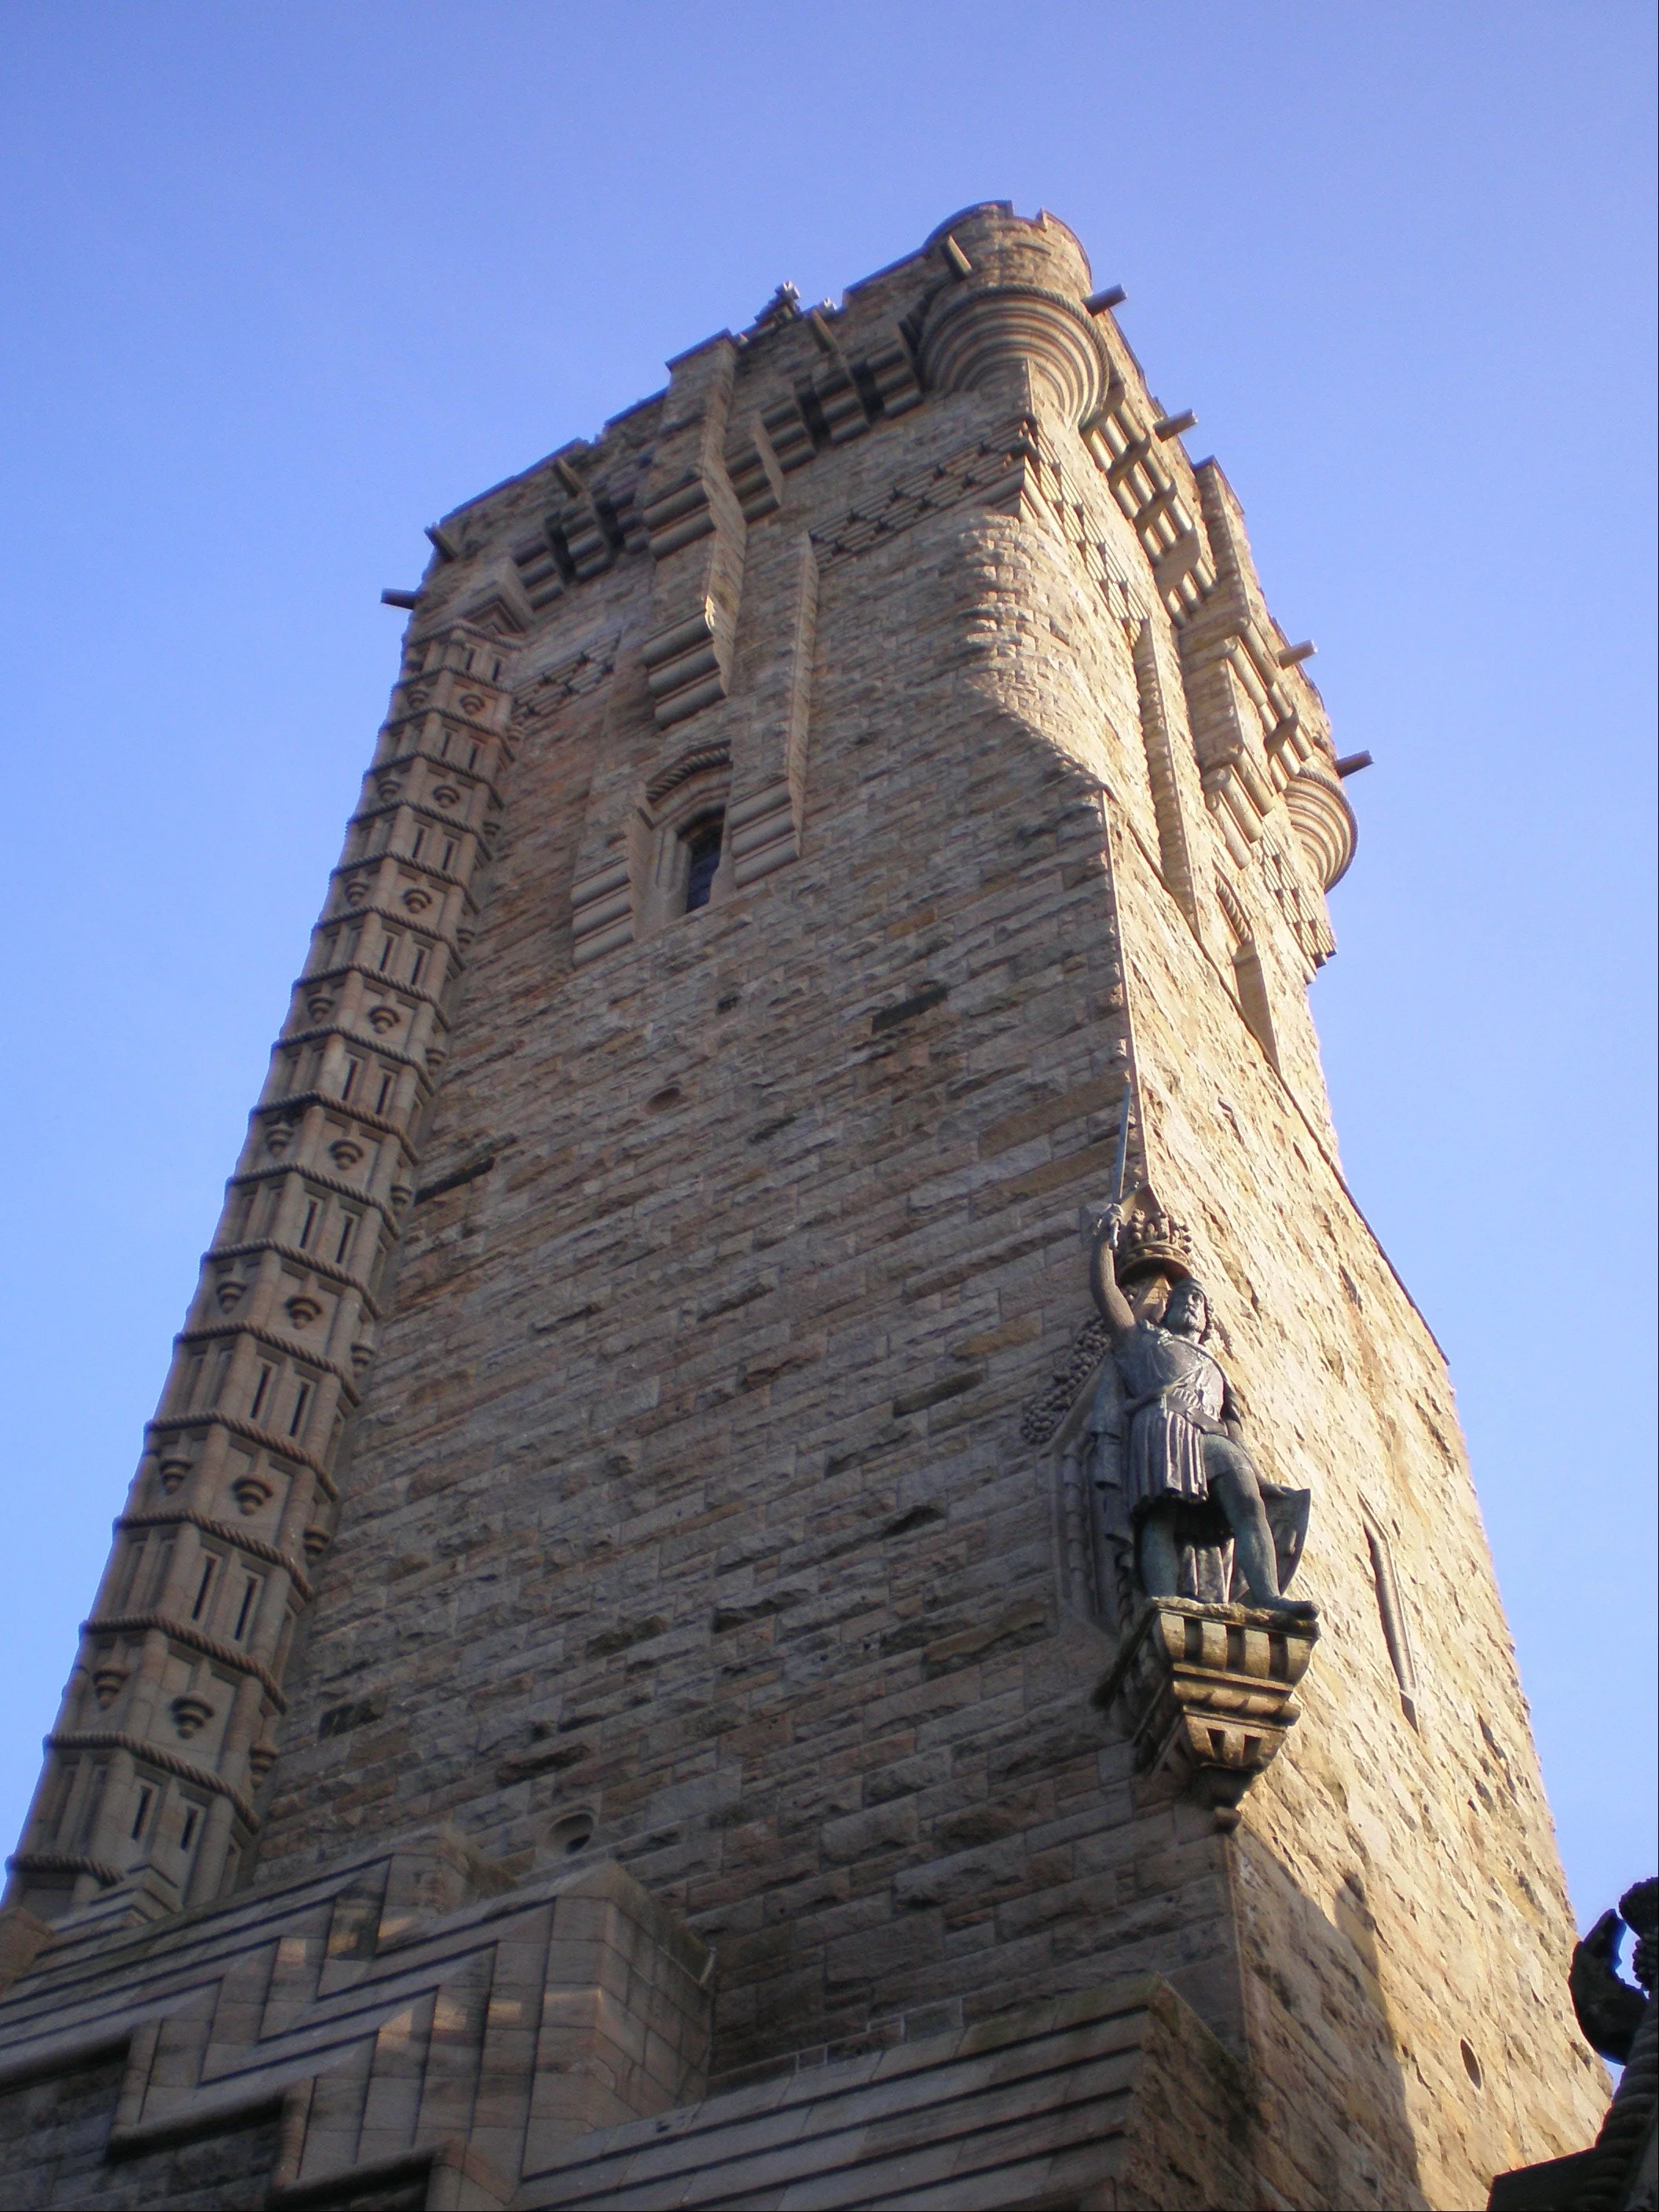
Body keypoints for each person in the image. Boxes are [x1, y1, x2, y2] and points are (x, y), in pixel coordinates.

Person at [1090, 1207, 1313, 1617]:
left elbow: (1234, 1426)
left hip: (1210, 1435)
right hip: (1162, 1426)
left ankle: (1265, 1594)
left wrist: (1261, 1477)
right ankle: (1162, 1599)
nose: (1191, 1304)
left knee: (1249, 1504)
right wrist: (1103, 1244)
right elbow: (1107, 1294)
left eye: (1199, 1301)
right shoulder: (1144, 1341)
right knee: (1161, 1514)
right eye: (1183, 1298)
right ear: (1168, 1309)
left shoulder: (1216, 1368)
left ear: (1206, 1318)